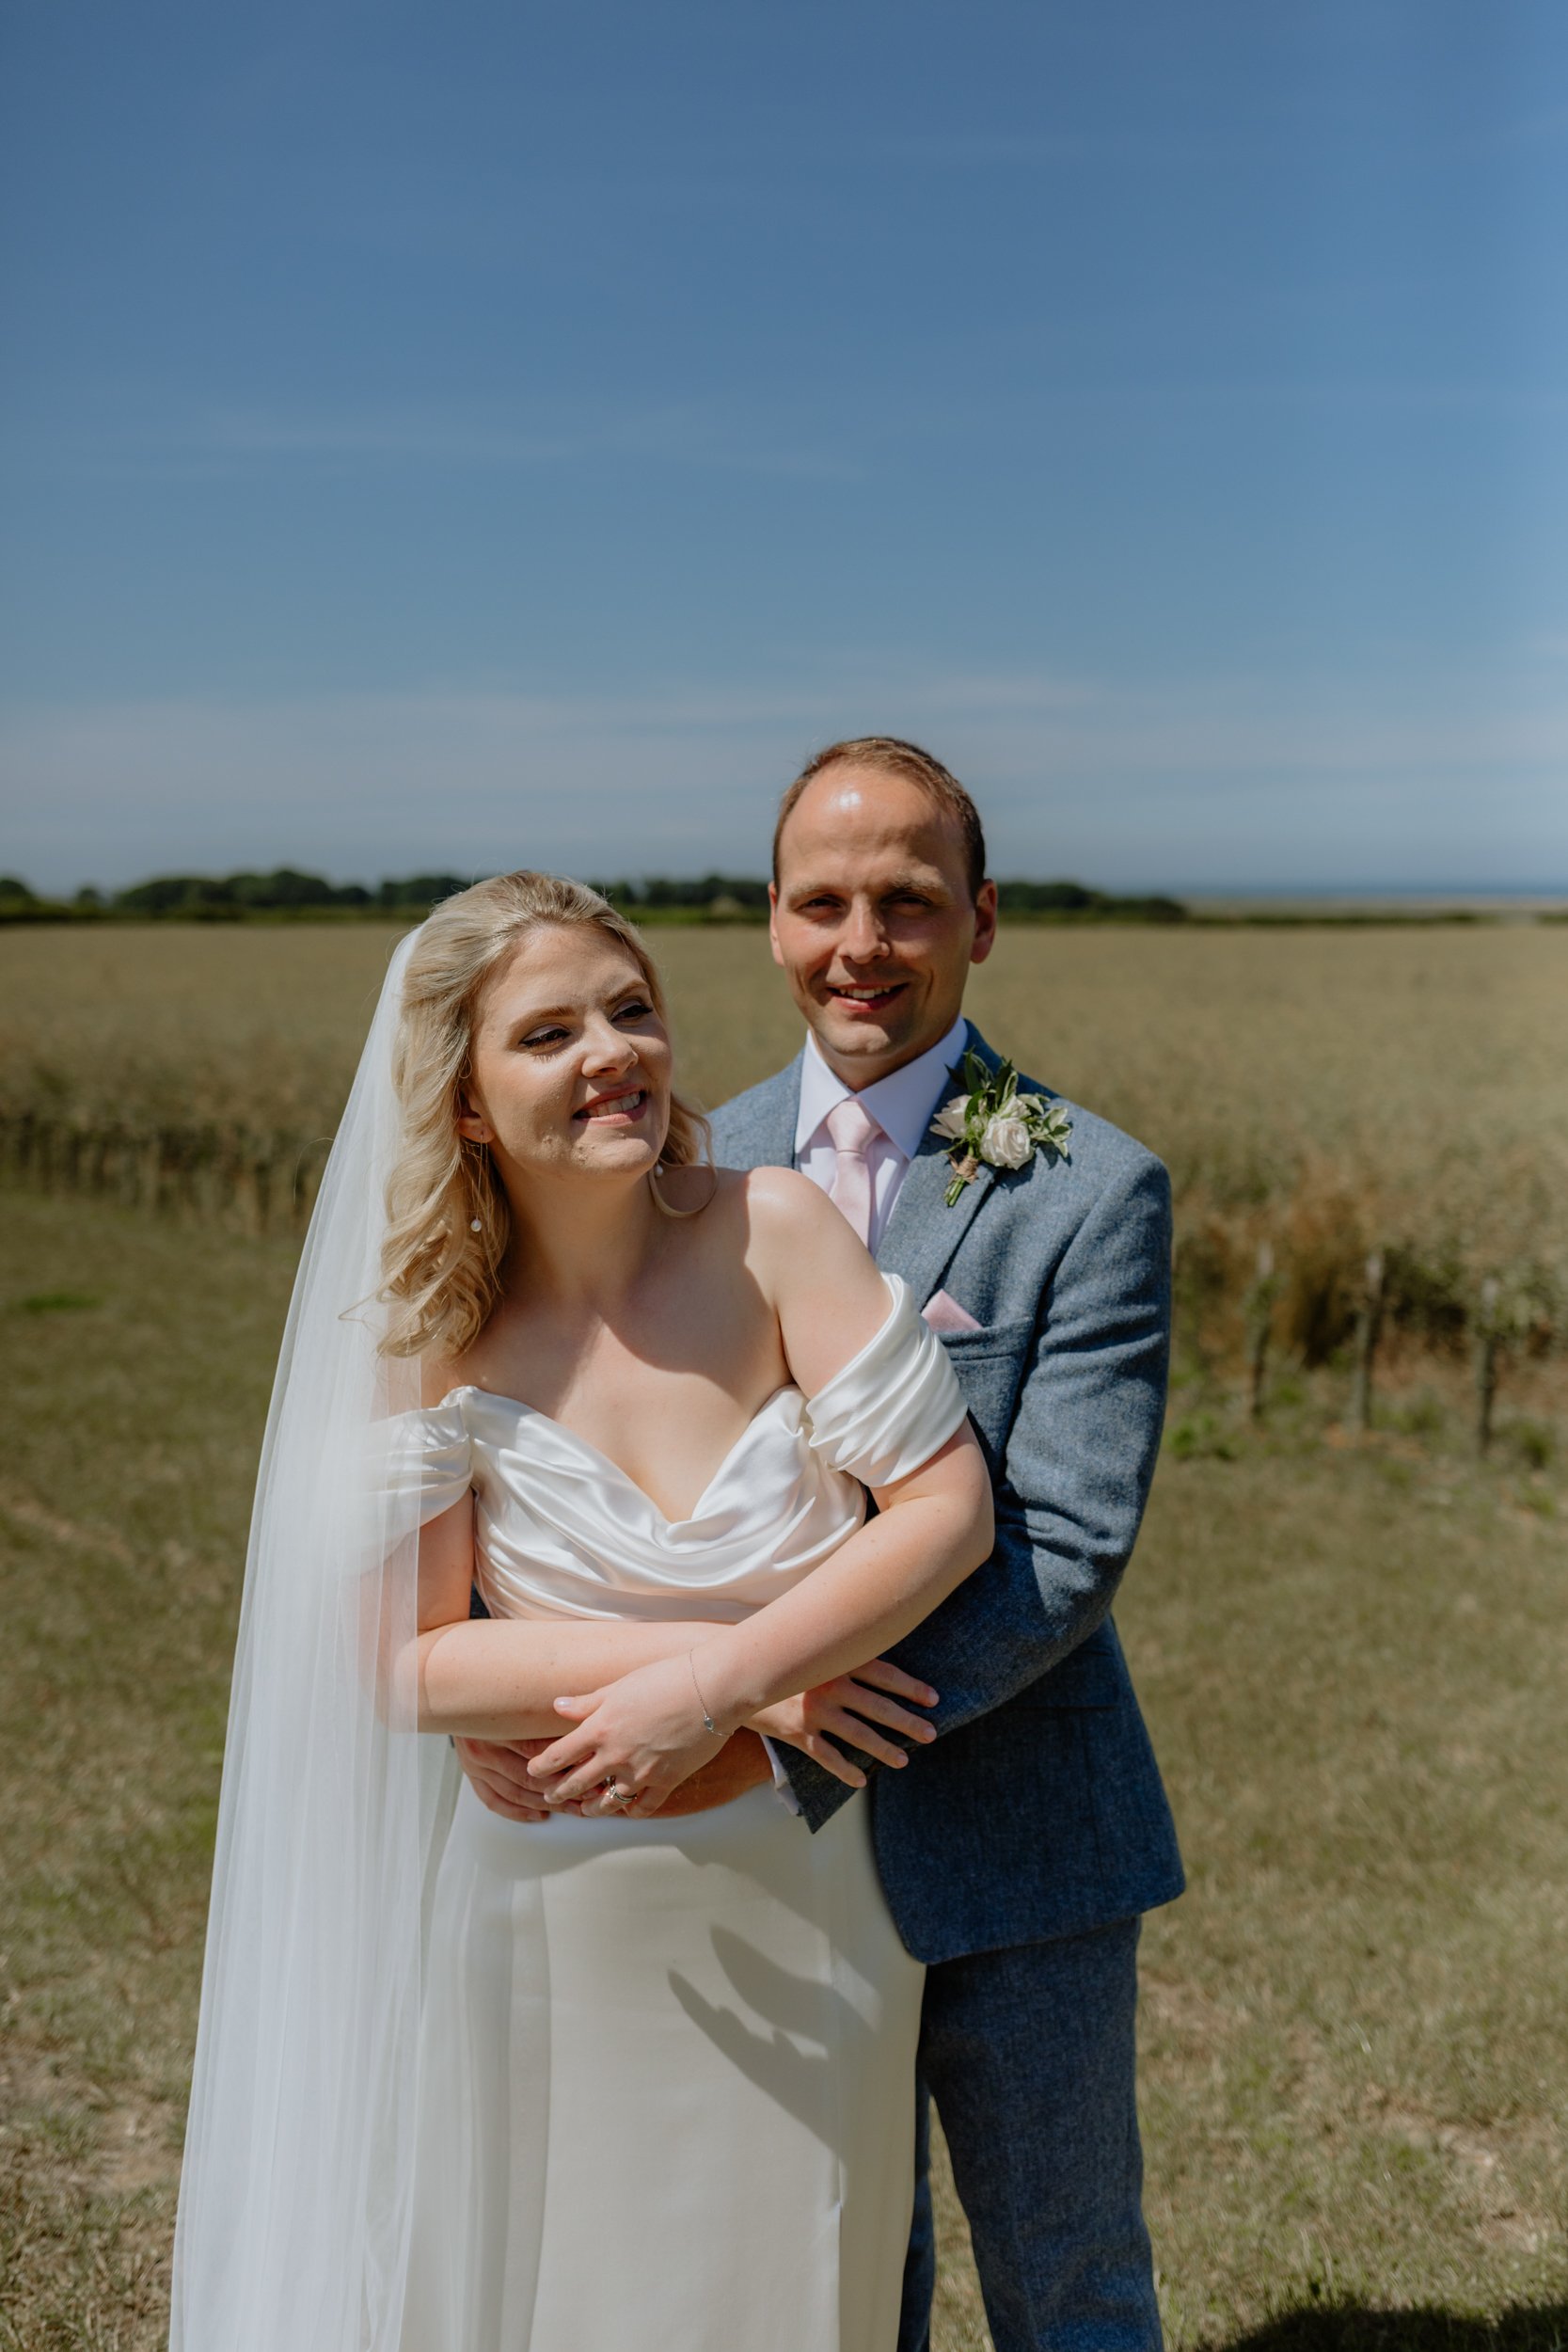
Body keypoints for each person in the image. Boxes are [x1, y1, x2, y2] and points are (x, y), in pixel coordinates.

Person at [169, 868, 994, 2352]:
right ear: (470, 1103)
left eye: (631, 1010)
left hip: (803, 1893)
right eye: (548, 1034)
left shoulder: (777, 1230)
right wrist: (743, 1675)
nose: (611, 1052)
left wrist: (726, 1687)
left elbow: (946, 1510)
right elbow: (402, 1660)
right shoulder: (436, 1326)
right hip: (545, 1910)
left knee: (792, 2296)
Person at [465, 739, 1185, 2351]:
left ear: (981, 922)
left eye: (909, 903)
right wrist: (517, 1699)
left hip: (1008, 1828)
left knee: (1066, 2275)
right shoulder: (669, 1153)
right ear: (772, 922)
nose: (863, 941)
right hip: (733, 1865)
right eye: (824, 901)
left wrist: (767, 1707)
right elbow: (552, 1424)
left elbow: (1062, 1550)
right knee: (840, 2279)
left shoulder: (1089, 1187)